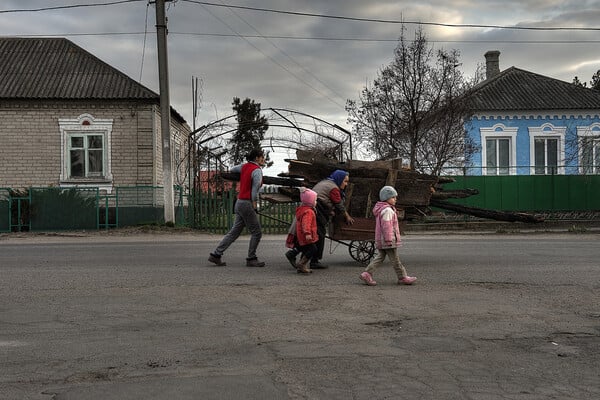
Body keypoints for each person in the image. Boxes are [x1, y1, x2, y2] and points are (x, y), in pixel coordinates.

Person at [208, 148, 266, 267]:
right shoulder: (257, 170)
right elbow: (254, 190)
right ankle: (251, 258)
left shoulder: (245, 167)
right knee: (257, 232)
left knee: (234, 232)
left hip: (239, 202)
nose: (264, 160)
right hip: (247, 203)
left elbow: (233, 169)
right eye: (262, 157)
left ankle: (216, 255)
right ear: (257, 158)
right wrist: (254, 204)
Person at [359, 186, 417, 286]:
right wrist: (389, 239)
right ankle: (402, 277)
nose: (395, 199)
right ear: (386, 198)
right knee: (396, 260)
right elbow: (387, 227)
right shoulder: (387, 211)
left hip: (383, 239)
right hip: (388, 240)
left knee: (380, 257)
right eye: (393, 197)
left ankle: (367, 273)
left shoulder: (385, 209)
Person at [294, 188, 319, 274]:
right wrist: (307, 233)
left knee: (305, 250)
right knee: (313, 249)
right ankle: (301, 264)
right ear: (310, 201)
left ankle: (301, 267)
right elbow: (306, 223)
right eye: (315, 200)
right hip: (306, 236)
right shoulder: (309, 212)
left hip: (302, 235)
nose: (316, 202)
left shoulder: (303, 209)